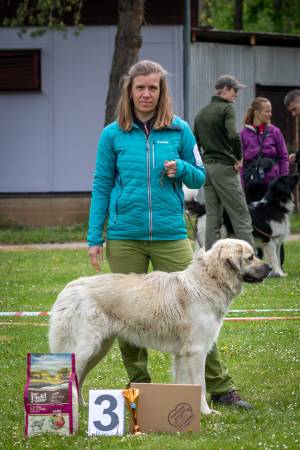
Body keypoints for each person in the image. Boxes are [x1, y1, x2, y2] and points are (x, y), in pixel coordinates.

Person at [87, 61, 251, 410]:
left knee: (201, 311)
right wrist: (94, 237)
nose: (146, 94)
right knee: (125, 313)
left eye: (153, 88)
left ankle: (221, 388)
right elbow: (101, 185)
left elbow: (200, 177)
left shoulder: (179, 131)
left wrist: (182, 169)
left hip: (170, 233)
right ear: (129, 92)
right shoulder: (112, 134)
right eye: (139, 88)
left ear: (162, 92)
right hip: (124, 235)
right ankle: (140, 389)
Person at [193, 74, 255, 252]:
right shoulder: (226, 109)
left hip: (207, 168)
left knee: (213, 217)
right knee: (241, 215)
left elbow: (194, 143)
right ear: (225, 89)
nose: (237, 94)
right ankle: (251, 262)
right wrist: (238, 157)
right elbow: (233, 135)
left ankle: (211, 260)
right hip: (225, 168)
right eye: (235, 90)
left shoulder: (201, 113)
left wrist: (200, 164)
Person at [240, 97, 289, 203]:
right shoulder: (244, 133)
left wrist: (283, 179)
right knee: (253, 217)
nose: (270, 114)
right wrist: (242, 183)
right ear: (257, 113)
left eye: (270, 111)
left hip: (272, 184)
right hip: (252, 184)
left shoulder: (275, 131)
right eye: (267, 111)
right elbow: (240, 161)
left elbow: (284, 157)